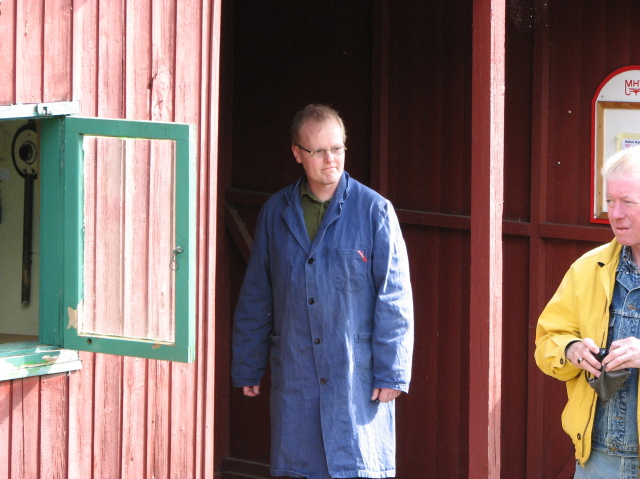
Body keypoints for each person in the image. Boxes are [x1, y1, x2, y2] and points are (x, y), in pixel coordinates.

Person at [231, 104, 414, 479]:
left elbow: (395, 298)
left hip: (355, 375)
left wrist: (393, 373)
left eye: (337, 148)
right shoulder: (276, 212)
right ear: (297, 153)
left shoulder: (374, 211)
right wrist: (247, 364)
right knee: (298, 467)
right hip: (296, 368)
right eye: (319, 151)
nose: (331, 159)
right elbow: (257, 295)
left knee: (356, 468)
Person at [535, 145, 640, 478]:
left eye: (628, 202)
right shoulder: (586, 269)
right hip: (597, 462)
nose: (615, 214)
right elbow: (548, 340)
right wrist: (571, 349)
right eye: (610, 201)